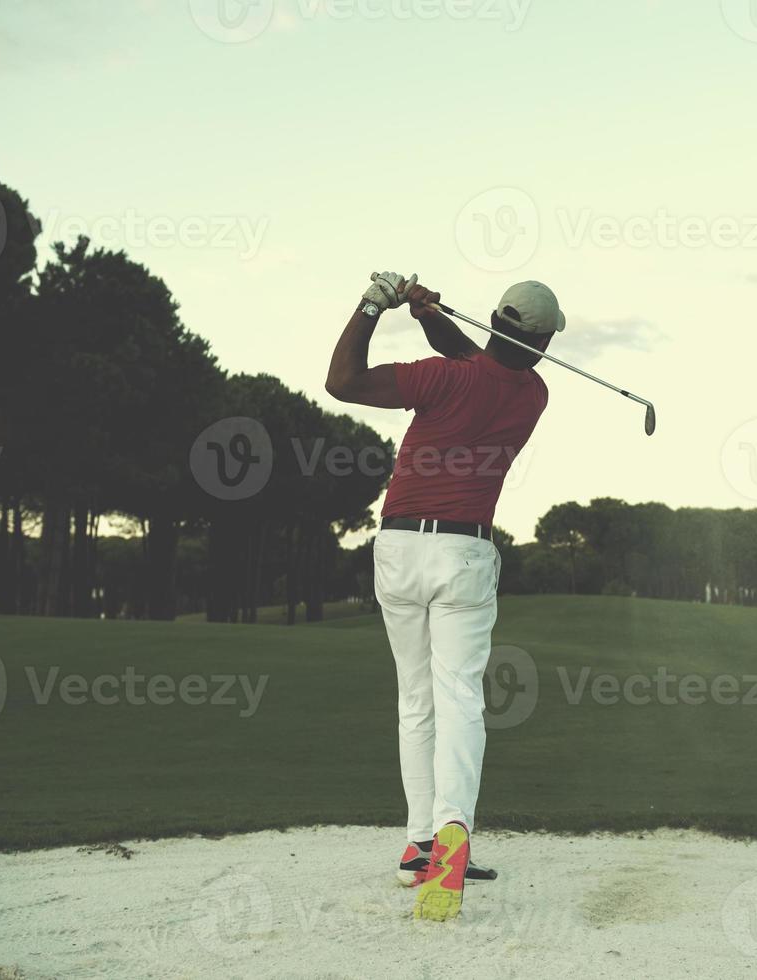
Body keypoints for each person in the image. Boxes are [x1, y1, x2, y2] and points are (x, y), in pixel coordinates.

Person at [325, 271, 564, 921]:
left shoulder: (442, 376)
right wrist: (429, 314)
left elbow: (341, 383)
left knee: (415, 699)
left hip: (399, 548)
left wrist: (375, 304)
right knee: (458, 694)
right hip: (464, 553)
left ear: (494, 318)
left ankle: (421, 845)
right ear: (542, 341)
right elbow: (485, 362)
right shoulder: (533, 392)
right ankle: (451, 833)